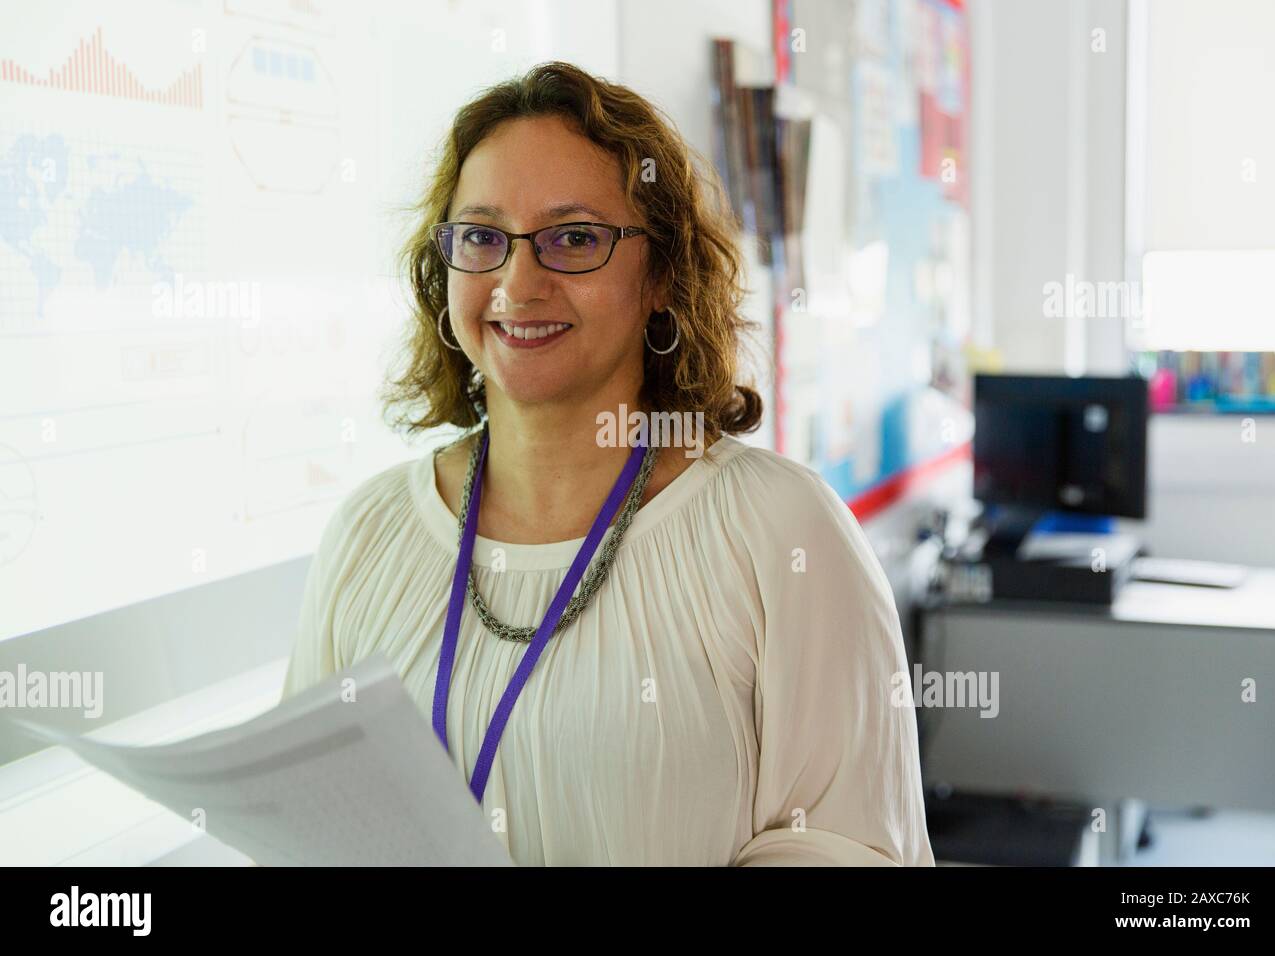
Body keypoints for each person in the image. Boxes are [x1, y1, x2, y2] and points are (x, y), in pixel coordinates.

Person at [282, 61, 934, 867]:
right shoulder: (367, 535)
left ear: (661, 274)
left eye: (575, 238)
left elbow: (848, 847)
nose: (518, 283)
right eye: (483, 237)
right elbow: (305, 830)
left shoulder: (779, 532)